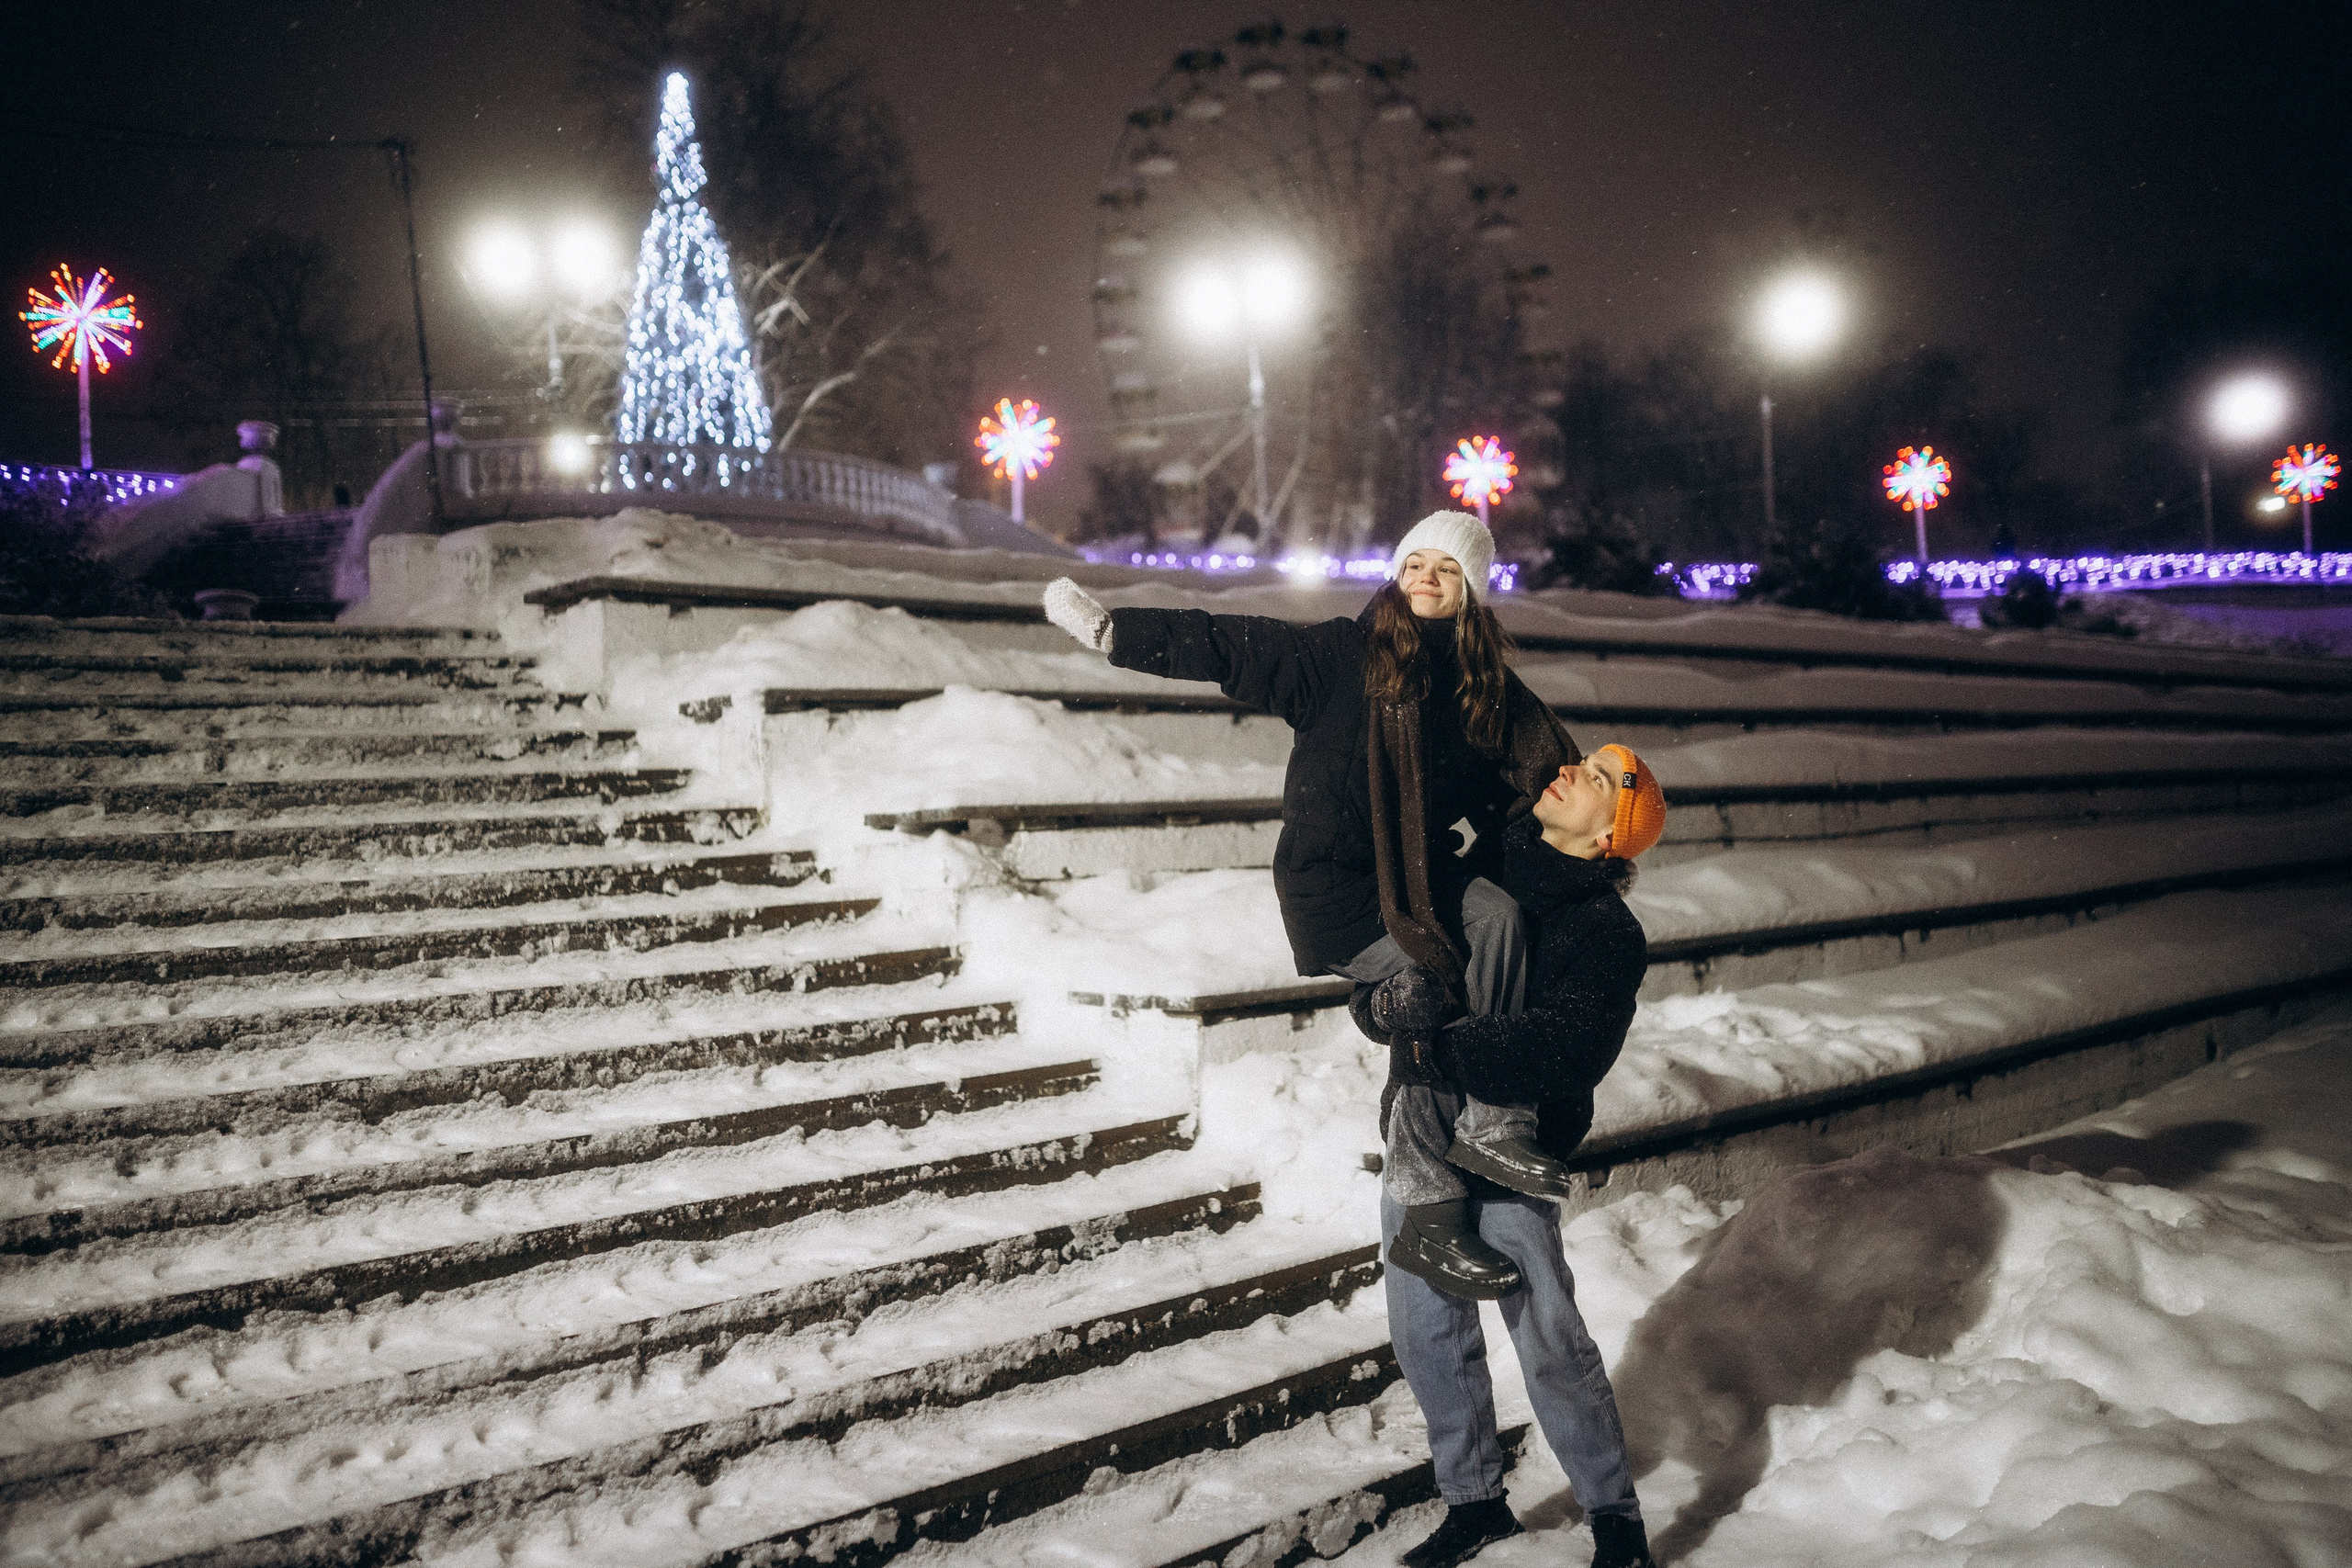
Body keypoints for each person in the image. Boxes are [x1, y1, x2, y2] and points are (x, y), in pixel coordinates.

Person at [1352, 742, 1668, 1568]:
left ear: (1610, 838)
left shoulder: (1606, 930)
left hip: (1505, 1151)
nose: (1571, 770)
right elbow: (1381, 973)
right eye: (1583, 761)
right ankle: (1474, 1501)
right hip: (1420, 1134)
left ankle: (1616, 1520)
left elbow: (1567, 1047)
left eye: (1598, 780)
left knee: (1546, 1330)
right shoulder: (1473, 859)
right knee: (1425, 1328)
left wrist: (1433, 1051)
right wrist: (1386, 1006)